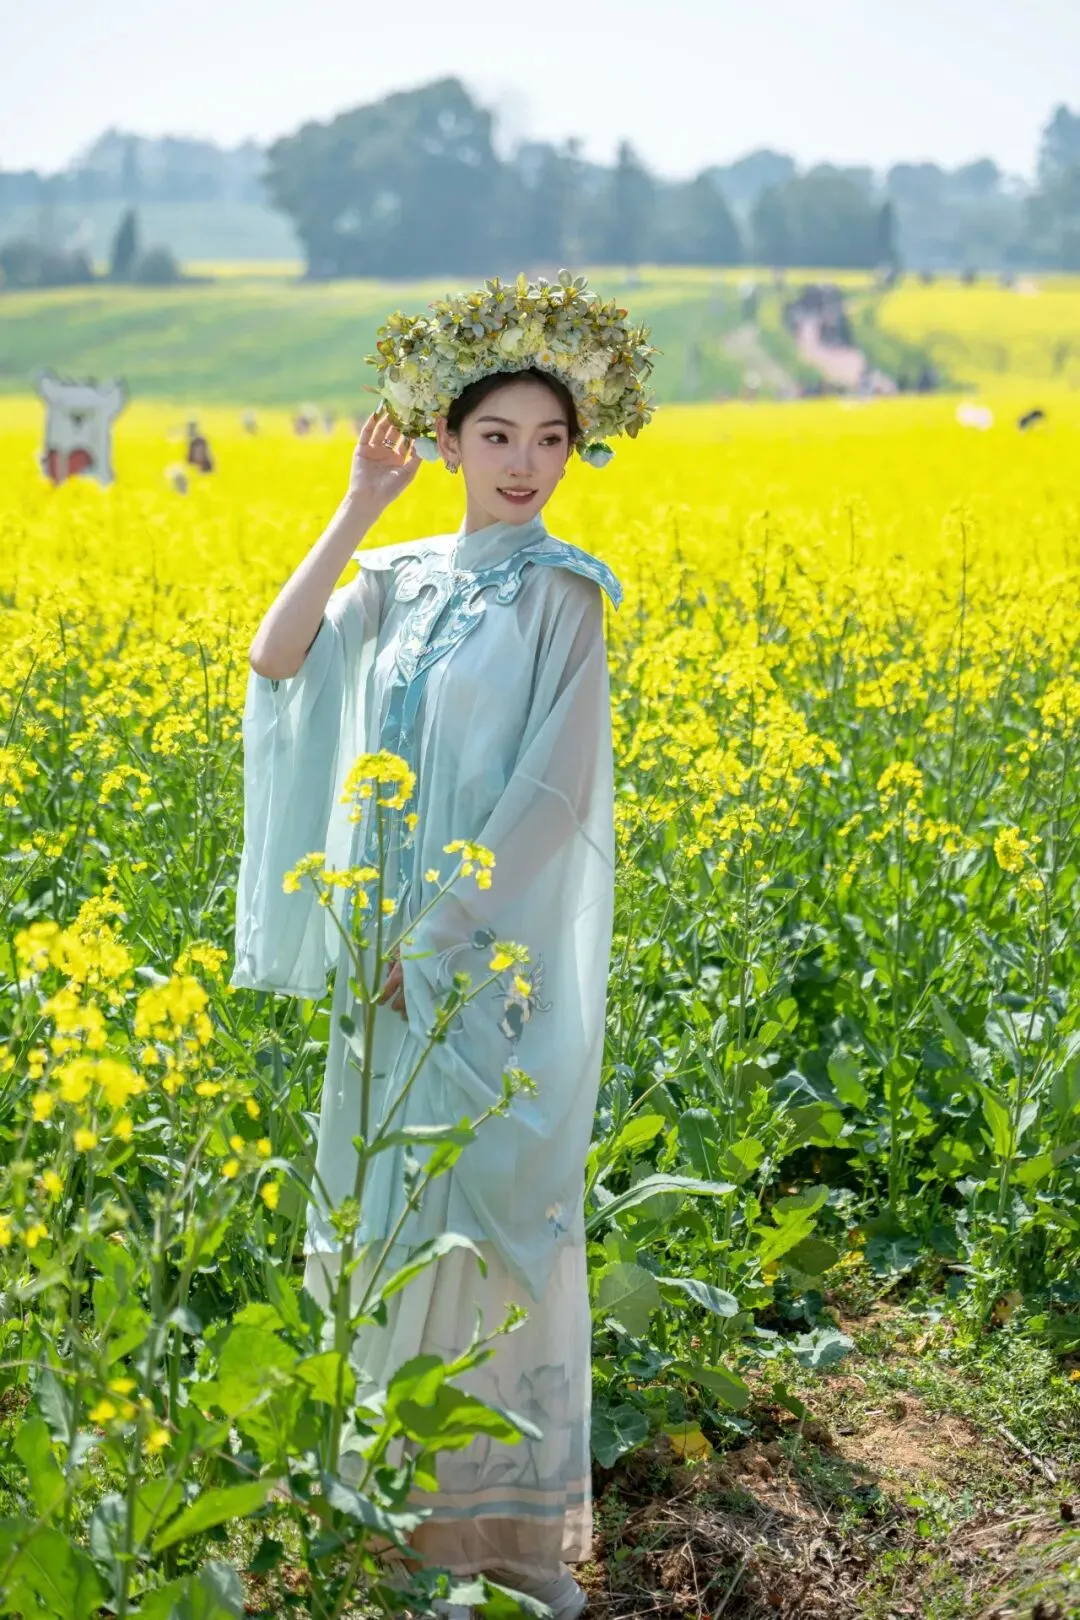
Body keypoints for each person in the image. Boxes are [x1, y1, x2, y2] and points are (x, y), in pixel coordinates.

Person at [230, 272, 654, 1619]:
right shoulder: (398, 579)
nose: (527, 464)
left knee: (492, 1224)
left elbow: (551, 794)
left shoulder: (564, 598)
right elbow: (277, 660)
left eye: (552, 441)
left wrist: (439, 935)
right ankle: (383, 1529)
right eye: (498, 436)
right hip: (380, 973)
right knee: (384, 1218)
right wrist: (361, 507)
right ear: (451, 443)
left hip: (480, 968)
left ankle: (496, 1544)